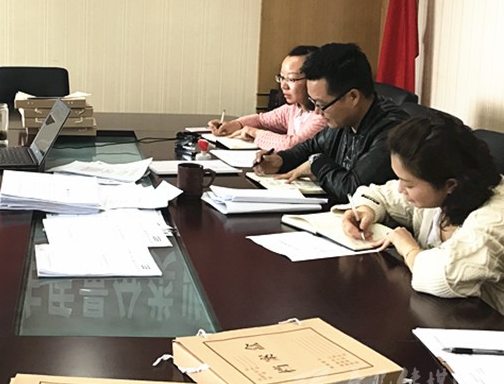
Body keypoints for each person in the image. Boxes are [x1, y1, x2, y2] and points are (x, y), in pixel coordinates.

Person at [343, 113, 504, 314]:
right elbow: (379, 195)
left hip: (489, 324)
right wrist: (365, 210)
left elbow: (441, 277)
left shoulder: (494, 218)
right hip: (443, 314)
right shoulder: (439, 189)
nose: (400, 189)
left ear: (451, 185)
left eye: (408, 184)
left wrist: (408, 247)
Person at [254, 42, 408, 202]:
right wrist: (281, 160)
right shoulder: (344, 117)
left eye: (321, 104)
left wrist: (316, 163)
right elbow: (311, 146)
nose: (317, 112)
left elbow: (353, 189)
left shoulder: (393, 131)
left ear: (353, 97)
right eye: (313, 103)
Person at [208, 45, 327, 150]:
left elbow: (292, 145)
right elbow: (261, 120)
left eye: (291, 79)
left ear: (314, 80)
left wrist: (255, 133)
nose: (283, 86)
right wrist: (235, 124)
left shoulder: (323, 115)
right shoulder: (294, 109)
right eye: (282, 78)